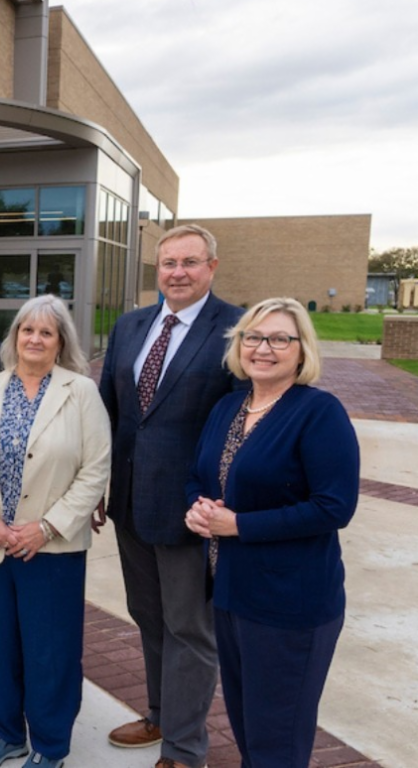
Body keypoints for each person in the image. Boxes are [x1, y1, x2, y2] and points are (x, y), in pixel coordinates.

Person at [185, 298, 358, 767]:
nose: (264, 348)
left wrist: (237, 525)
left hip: (290, 605)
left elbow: (334, 506)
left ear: (301, 351)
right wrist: (197, 510)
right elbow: (200, 476)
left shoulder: (319, 412)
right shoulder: (228, 407)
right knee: (247, 728)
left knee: (276, 739)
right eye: (254, 337)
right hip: (231, 594)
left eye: (280, 338)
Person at [98, 224, 244, 768]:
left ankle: (185, 748)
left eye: (189, 262)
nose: (177, 273)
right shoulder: (132, 325)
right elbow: (108, 413)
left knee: (189, 628)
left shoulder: (234, 329)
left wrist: (224, 501)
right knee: (148, 616)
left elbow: (240, 425)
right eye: (168, 263)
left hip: (191, 509)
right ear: (156, 270)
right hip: (131, 504)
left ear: (212, 266)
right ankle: (160, 714)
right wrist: (98, 487)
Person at [0, 296, 110, 768]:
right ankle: (5, 733)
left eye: (46, 333)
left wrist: (47, 527)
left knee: (49, 653)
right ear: (14, 337)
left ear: (61, 343)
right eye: (27, 331)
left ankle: (49, 745)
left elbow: (96, 470)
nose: (34, 339)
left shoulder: (80, 392)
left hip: (51, 550)